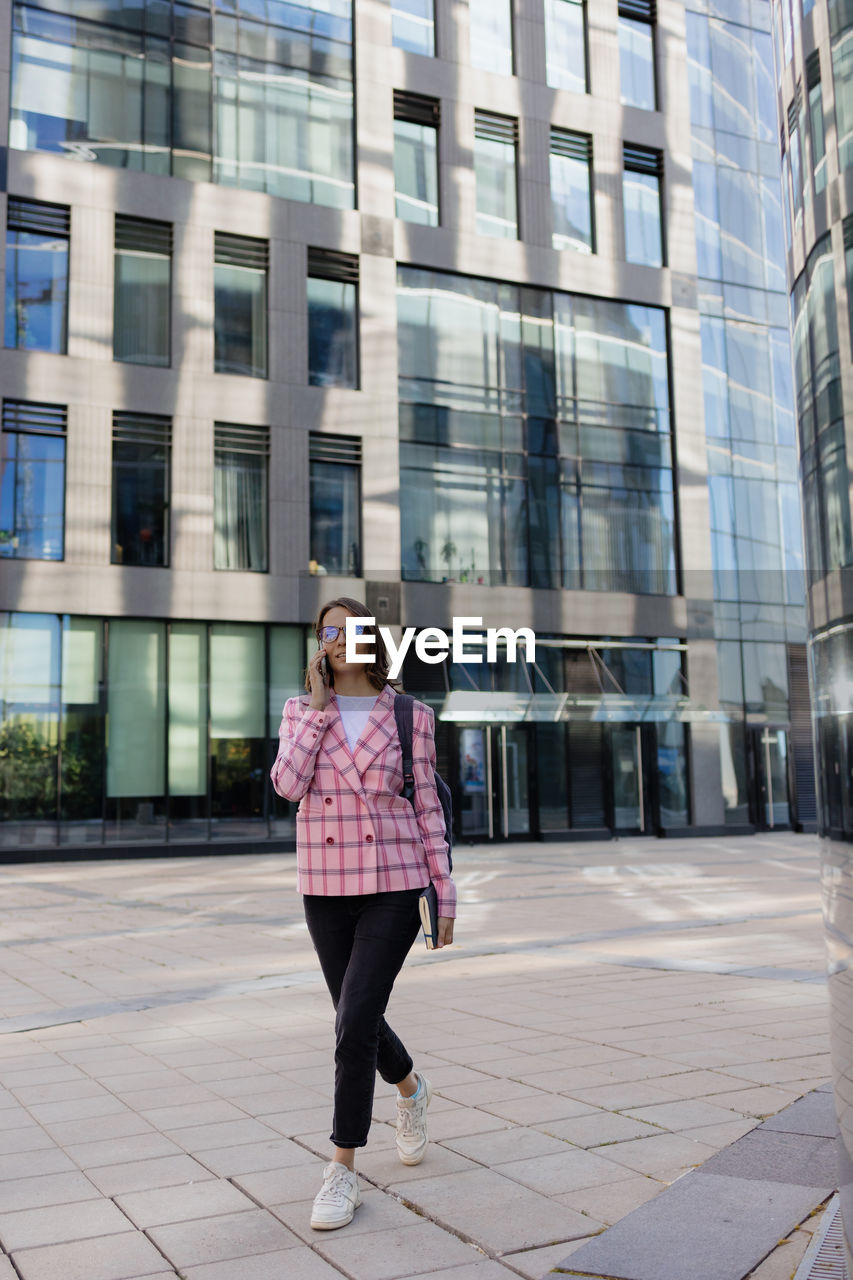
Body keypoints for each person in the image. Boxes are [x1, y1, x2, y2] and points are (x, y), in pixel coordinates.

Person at [271, 596, 456, 1231]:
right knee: (357, 1017)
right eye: (331, 631)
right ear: (319, 643)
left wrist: (445, 894)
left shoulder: (410, 714)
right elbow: (287, 786)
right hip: (323, 884)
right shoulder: (300, 712)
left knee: (351, 1028)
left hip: (393, 882)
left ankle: (342, 1169)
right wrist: (320, 711)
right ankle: (411, 1090)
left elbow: (428, 806)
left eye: (354, 630)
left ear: (373, 640)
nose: (343, 639)